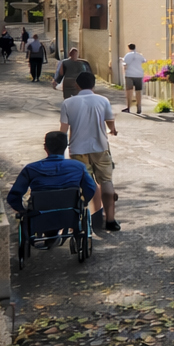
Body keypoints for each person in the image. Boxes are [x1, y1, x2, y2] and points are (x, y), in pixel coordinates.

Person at [5, 129, 98, 246]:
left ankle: (47, 235)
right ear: (65, 147)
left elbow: (14, 195)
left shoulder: (31, 169)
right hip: (69, 213)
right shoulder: (78, 167)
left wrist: (22, 210)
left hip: (39, 214)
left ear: (45, 148)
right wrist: (83, 203)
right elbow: (90, 188)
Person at [58, 72, 121, 232]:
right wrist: (112, 130)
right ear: (93, 85)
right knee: (106, 181)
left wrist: (58, 150)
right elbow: (110, 121)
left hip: (77, 149)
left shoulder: (68, 103)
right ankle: (111, 220)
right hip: (100, 147)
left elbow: (63, 130)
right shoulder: (103, 100)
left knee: (85, 183)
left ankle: (92, 216)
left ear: (77, 85)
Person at [120, 43, 147, 113]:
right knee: (138, 91)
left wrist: (124, 70)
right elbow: (144, 61)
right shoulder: (139, 55)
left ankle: (128, 107)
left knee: (129, 91)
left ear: (128, 48)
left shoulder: (127, 55)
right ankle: (139, 106)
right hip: (139, 75)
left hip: (129, 75)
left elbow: (125, 64)